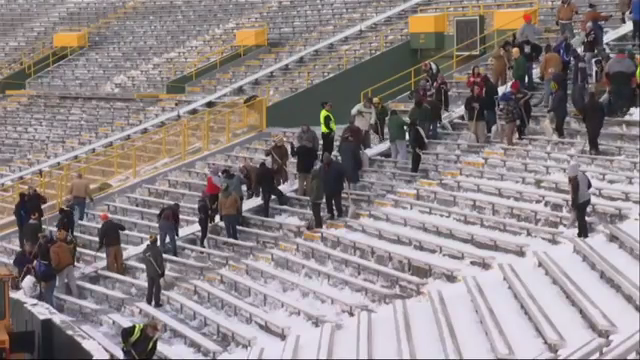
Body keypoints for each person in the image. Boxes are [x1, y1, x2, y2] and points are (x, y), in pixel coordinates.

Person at [605, 48, 638, 116]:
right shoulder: (629, 62)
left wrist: (609, 86)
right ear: (624, 53)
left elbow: (606, 75)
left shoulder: (611, 62)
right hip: (626, 85)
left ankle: (617, 112)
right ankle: (624, 112)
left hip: (614, 85)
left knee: (615, 100)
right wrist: (634, 87)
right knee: (626, 100)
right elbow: (633, 76)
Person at [291, 124, 319, 196]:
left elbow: (293, 154)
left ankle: (300, 196)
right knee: (309, 185)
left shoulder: (300, 148)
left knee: (301, 185)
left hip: (301, 169)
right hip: (309, 169)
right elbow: (315, 157)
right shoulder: (312, 150)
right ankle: (308, 196)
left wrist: (292, 147)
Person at [50, 229, 78, 298]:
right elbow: (71, 251)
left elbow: (55, 261)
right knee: (72, 281)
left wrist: (53, 267)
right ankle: (76, 295)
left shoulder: (53, 249)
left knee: (61, 284)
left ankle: (62, 298)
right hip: (70, 264)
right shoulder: (64, 245)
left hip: (61, 268)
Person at [568, 163, 592, 239]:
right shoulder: (583, 175)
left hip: (580, 201)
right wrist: (584, 190)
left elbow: (574, 195)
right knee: (580, 217)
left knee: (581, 218)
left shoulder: (574, 180)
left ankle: (585, 235)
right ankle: (580, 233)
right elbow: (590, 185)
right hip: (587, 198)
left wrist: (573, 206)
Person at [320, 153, 345, 220]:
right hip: (327, 188)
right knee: (329, 203)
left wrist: (342, 181)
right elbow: (321, 176)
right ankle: (330, 214)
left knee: (337, 203)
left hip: (336, 187)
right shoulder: (322, 167)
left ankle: (340, 214)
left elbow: (343, 173)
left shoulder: (337, 165)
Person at [539, 44, 564, 108]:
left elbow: (542, 66)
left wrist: (541, 74)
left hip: (548, 76)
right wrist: (558, 72)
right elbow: (560, 65)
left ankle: (546, 103)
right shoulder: (557, 56)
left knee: (547, 89)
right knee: (554, 89)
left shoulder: (546, 57)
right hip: (556, 76)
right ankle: (554, 102)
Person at [142, 235, 164, 308]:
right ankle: (156, 302)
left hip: (149, 271)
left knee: (150, 287)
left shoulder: (146, 250)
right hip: (156, 272)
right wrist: (162, 271)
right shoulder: (157, 251)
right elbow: (160, 262)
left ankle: (149, 300)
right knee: (157, 288)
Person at [338, 122, 363, 186]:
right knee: (354, 188)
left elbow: (340, 152)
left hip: (345, 171)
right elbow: (358, 159)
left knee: (347, 187)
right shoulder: (353, 146)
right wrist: (360, 166)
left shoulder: (342, 146)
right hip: (353, 171)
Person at [35, 234, 56, 307]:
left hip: (48, 278)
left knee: (48, 296)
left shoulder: (43, 248)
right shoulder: (50, 247)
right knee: (50, 295)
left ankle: (51, 309)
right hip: (52, 276)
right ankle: (52, 307)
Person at [548, 73, 569, 138]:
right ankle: (561, 137)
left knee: (559, 127)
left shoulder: (559, 94)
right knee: (558, 126)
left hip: (560, 113)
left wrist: (550, 109)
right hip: (560, 112)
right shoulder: (560, 92)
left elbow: (555, 104)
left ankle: (562, 137)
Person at [571, 49, 589, 114]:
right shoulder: (578, 60)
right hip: (577, 82)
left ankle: (581, 111)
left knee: (578, 98)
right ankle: (579, 110)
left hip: (579, 83)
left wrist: (582, 81)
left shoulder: (580, 60)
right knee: (575, 98)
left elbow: (582, 72)